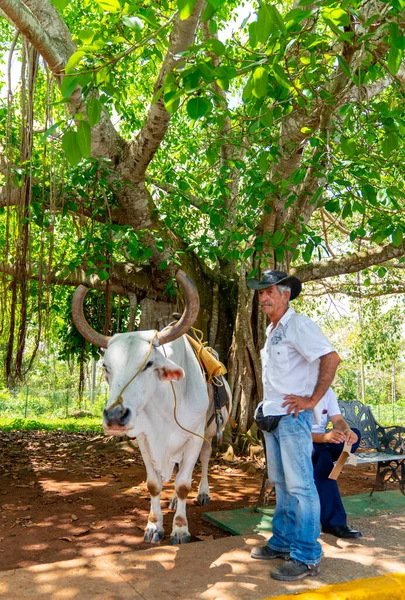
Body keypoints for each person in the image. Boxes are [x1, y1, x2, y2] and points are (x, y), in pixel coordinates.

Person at [248, 270, 340, 582]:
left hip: (293, 419)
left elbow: (331, 357)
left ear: (286, 294)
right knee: (283, 484)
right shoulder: (273, 330)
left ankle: (306, 555)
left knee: (301, 486)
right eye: (260, 293)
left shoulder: (299, 325)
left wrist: (312, 400)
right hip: (272, 417)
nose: (263, 298)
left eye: (269, 291)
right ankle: (283, 541)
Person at [312, 388, 362, 538]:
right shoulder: (294, 388)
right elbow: (293, 431)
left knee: (355, 434)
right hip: (301, 441)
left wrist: (346, 432)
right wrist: (324, 438)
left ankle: (333, 522)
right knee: (324, 463)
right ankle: (335, 523)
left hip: (323, 441)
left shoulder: (326, 389)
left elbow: (338, 420)